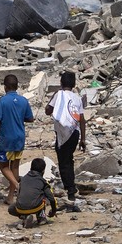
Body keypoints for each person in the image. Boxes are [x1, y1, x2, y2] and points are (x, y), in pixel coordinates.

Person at [45, 71, 87, 204]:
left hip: (63, 134)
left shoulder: (59, 95)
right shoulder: (77, 98)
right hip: (74, 133)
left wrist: (54, 95)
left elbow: (48, 110)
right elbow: (81, 119)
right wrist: (83, 139)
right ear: (74, 84)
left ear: (61, 83)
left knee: (64, 162)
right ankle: (71, 186)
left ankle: (70, 190)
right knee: (69, 160)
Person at [0, 74, 34, 204]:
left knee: (3, 166)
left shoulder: (3, 101)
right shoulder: (23, 100)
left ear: (5, 87)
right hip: (20, 137)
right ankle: (10, 197)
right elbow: (30, 118)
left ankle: (17, 185)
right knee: (15, 166)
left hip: (7, 138)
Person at [8, 158, 58, 228]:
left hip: (20, 208)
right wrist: (53, 211)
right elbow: (51, 198)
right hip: (35, 207)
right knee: (42, 197)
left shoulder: (23, 179)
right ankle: (41, 218)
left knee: (11, 209)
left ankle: (24, 216)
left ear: (31, 168)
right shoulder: (43, 181)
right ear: (43, 170)